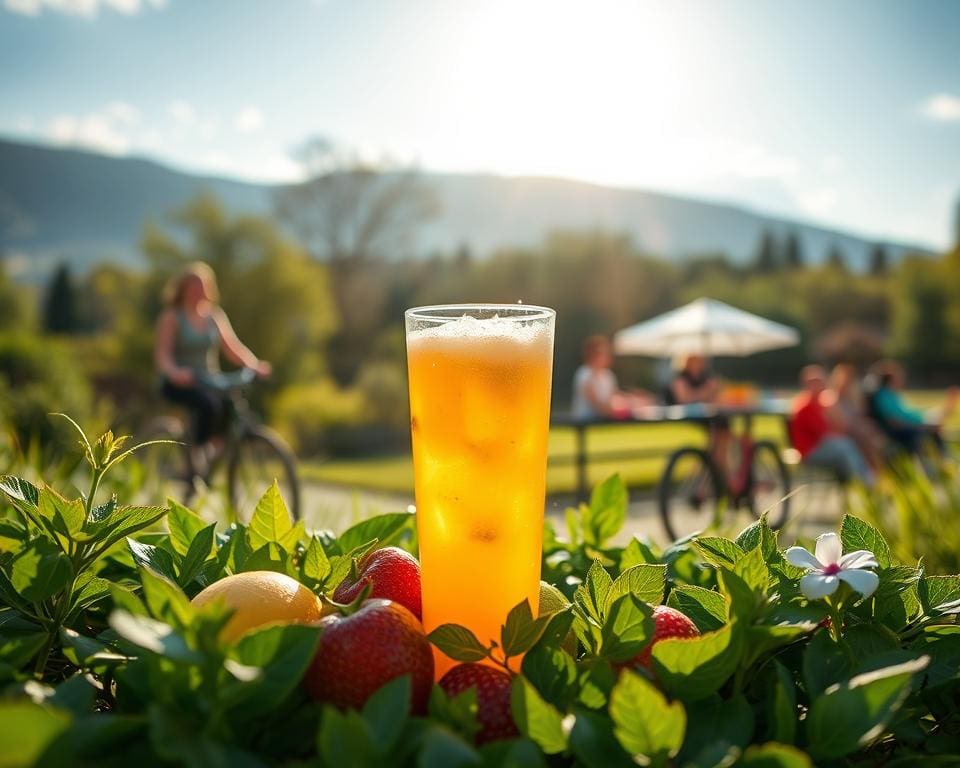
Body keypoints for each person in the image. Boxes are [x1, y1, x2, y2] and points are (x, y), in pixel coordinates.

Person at [154, 262, 272, 468]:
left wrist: (254, 364)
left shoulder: (214, 315)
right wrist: (175, 373)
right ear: (183, 290)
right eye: (193, 288)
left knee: (229, 406)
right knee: (208, 405)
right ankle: (197, 455)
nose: (198, 292)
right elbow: (162, 355)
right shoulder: (172, 316)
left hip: (210, 380)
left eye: (202, 287)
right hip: (180, 381)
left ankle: (210, 456)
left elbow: (232, 347)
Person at [790, 365, 874, 485]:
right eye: (816, 383)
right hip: (810, 451)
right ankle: (864, 482)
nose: (820, 386)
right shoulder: (806, 406)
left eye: (821, 382)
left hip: (818, 447)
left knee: (850, 445)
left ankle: (864, 479)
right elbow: (823, 434)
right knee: (846, 447)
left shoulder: (818, 404)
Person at [865, 359, 956, 457]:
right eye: (898, 377)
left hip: (916, 422)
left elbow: (910, 413)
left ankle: (944, 457)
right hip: (905, 430)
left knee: (936, 422)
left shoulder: (893, 395)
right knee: (932, 427)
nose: (902, 379)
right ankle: (942, 459)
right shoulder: (883, 396)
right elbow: (894, 422)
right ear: (891, 379)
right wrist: (921, 426)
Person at [571, 335, 652, 419]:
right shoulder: (584, 374)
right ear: (593, 354)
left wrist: (634, 400)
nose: (608, 356)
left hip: (603, 421)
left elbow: (614, 397)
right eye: (604, 353)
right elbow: (599, 406)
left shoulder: (608, 375)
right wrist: (630, 407)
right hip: (586, 422)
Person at [829, 363, 883, 469]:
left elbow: (859, 415)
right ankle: (872, 472)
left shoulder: (851, 398)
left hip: (855, 431)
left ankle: (874, 471)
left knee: (871, 433)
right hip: (843, 433)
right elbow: (840, 423)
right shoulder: (832, 398)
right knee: (866, 439)